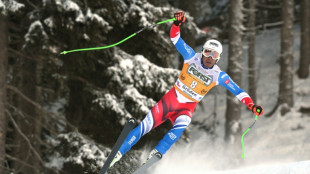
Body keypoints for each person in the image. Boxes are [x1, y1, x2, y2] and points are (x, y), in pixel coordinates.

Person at [110, 11, 263, 166]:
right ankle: (118, 153)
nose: (210, 57)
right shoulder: (191, 56)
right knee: (144, 127)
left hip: (186, 109)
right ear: (202, 51)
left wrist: (252, 105)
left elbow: (238, 91)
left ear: (218, 58)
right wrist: (177, 24)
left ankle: (154, 156)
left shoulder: (219, 75)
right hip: (169, 102)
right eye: (207, 52)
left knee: (177, 130)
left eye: (214, 55)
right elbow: (175, 38)